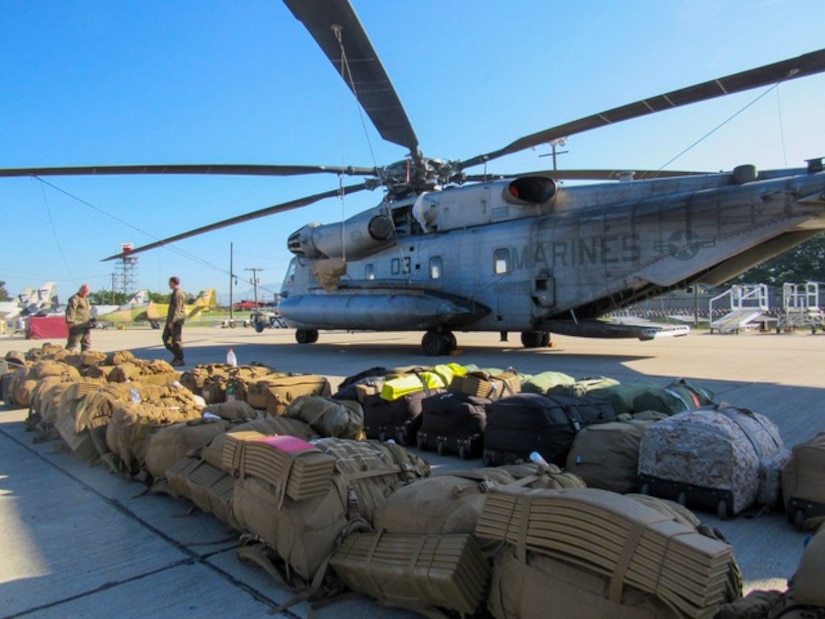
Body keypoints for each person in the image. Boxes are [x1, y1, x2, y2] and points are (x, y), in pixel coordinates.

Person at [163, 276, 187, 366]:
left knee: (176, 340)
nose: (169, 284)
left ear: (173, 282)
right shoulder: (174, 293)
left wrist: (172, 321)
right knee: (166, 338)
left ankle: (179, 358)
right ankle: (177, 356)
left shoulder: (178, 294)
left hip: (176, 320)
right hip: (171, 320)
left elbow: (177, 309)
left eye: (169, 282)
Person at [65, 284, 92, 351]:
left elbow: (86, 311)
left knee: (86, 343)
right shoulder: (75, 298)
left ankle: (85, 357)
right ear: (80, 290)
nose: (85, 293)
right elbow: (71, 310)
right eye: (84, 291)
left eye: (86, 292)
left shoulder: (85, 299)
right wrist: (70, 321)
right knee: (73, 342)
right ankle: (63, 357)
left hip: (85, 324)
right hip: (77, 324)